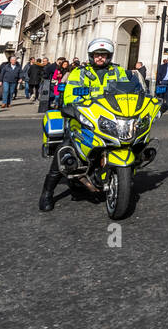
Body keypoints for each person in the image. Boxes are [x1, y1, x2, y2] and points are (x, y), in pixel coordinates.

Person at [40, 37, 133, 212]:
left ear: (109, 56)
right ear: (91, 56)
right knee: (65, 150)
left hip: (110, 117)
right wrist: (72, 107)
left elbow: (129, 92)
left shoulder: (118, 71)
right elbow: (69, 95)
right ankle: (47, 193)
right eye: (97, 54)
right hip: (83, 118)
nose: (100, 58)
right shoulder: (79, 73)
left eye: (104, 55)